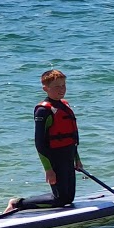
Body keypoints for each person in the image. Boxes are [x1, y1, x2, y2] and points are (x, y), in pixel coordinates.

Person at [34, 68, 82, 209]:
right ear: (45, 89)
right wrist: (48, 169)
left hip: (68, 156)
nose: (61, 89)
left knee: (69, 198)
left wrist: (77, 159)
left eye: (63, 85)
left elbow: (72, 139)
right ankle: (17, 203)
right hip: (54, 158)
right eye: (57, 87)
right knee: (60, 199)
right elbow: (39, 143)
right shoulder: (43, 111)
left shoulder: (64, 106)